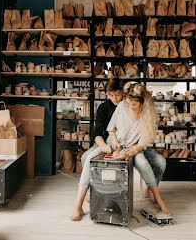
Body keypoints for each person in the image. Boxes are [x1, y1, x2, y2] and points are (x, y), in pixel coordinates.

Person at [70, 82, 171, 221]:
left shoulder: (147, 115)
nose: (129, 107)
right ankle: (78, 204)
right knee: (90, 158)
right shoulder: (122, 105)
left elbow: (142, 143)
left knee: (143, 163)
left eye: (133, 105)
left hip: (134, 147)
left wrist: (129, 152)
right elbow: (111, 129)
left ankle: (159, 199)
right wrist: (115, 142)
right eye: (128, 104)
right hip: (115, 143)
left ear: (142, 103)